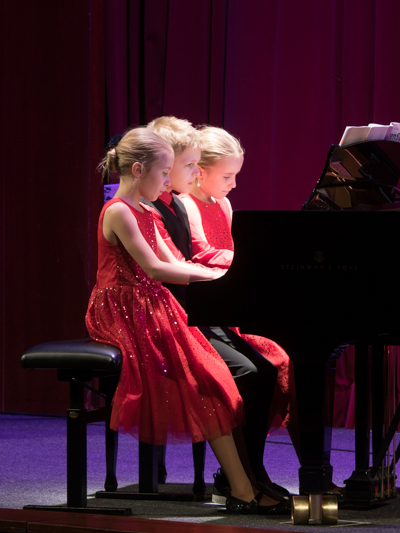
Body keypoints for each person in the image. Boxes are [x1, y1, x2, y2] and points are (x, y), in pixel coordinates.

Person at [86, 127, 288, 514]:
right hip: (125, 309)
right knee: (208, 380)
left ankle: (245, 484)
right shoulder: (118, 211)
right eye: (164, 173)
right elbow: (155, 267)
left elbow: (175, 261)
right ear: (138, 169)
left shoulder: (147, 210)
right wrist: (217, 276)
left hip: (154, 303)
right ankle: (243, 489)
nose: (168, 182)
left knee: (220, 379)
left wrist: (221, 275)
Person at [142, 117, 289, 502]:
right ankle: (242, 479)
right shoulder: (149, 209)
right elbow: (175, 263)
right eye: (189, 166)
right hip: (165, 314)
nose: (194, 175)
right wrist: (237, 266)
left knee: (266, 368)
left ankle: (251, 473)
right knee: (248, 371)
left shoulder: (179, 203)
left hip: (195, 306)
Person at [179, 125, 298, 456]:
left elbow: (230, 249)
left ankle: (269, 459)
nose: (233, 184)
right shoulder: (186, 204)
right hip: (207, 307)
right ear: (199, 172)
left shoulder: (223, 204)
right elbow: (202, 253)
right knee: (272, 361)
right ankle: (248, 461)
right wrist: (250, 260)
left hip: (231, 300)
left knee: (285, 357)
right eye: (227, 176)